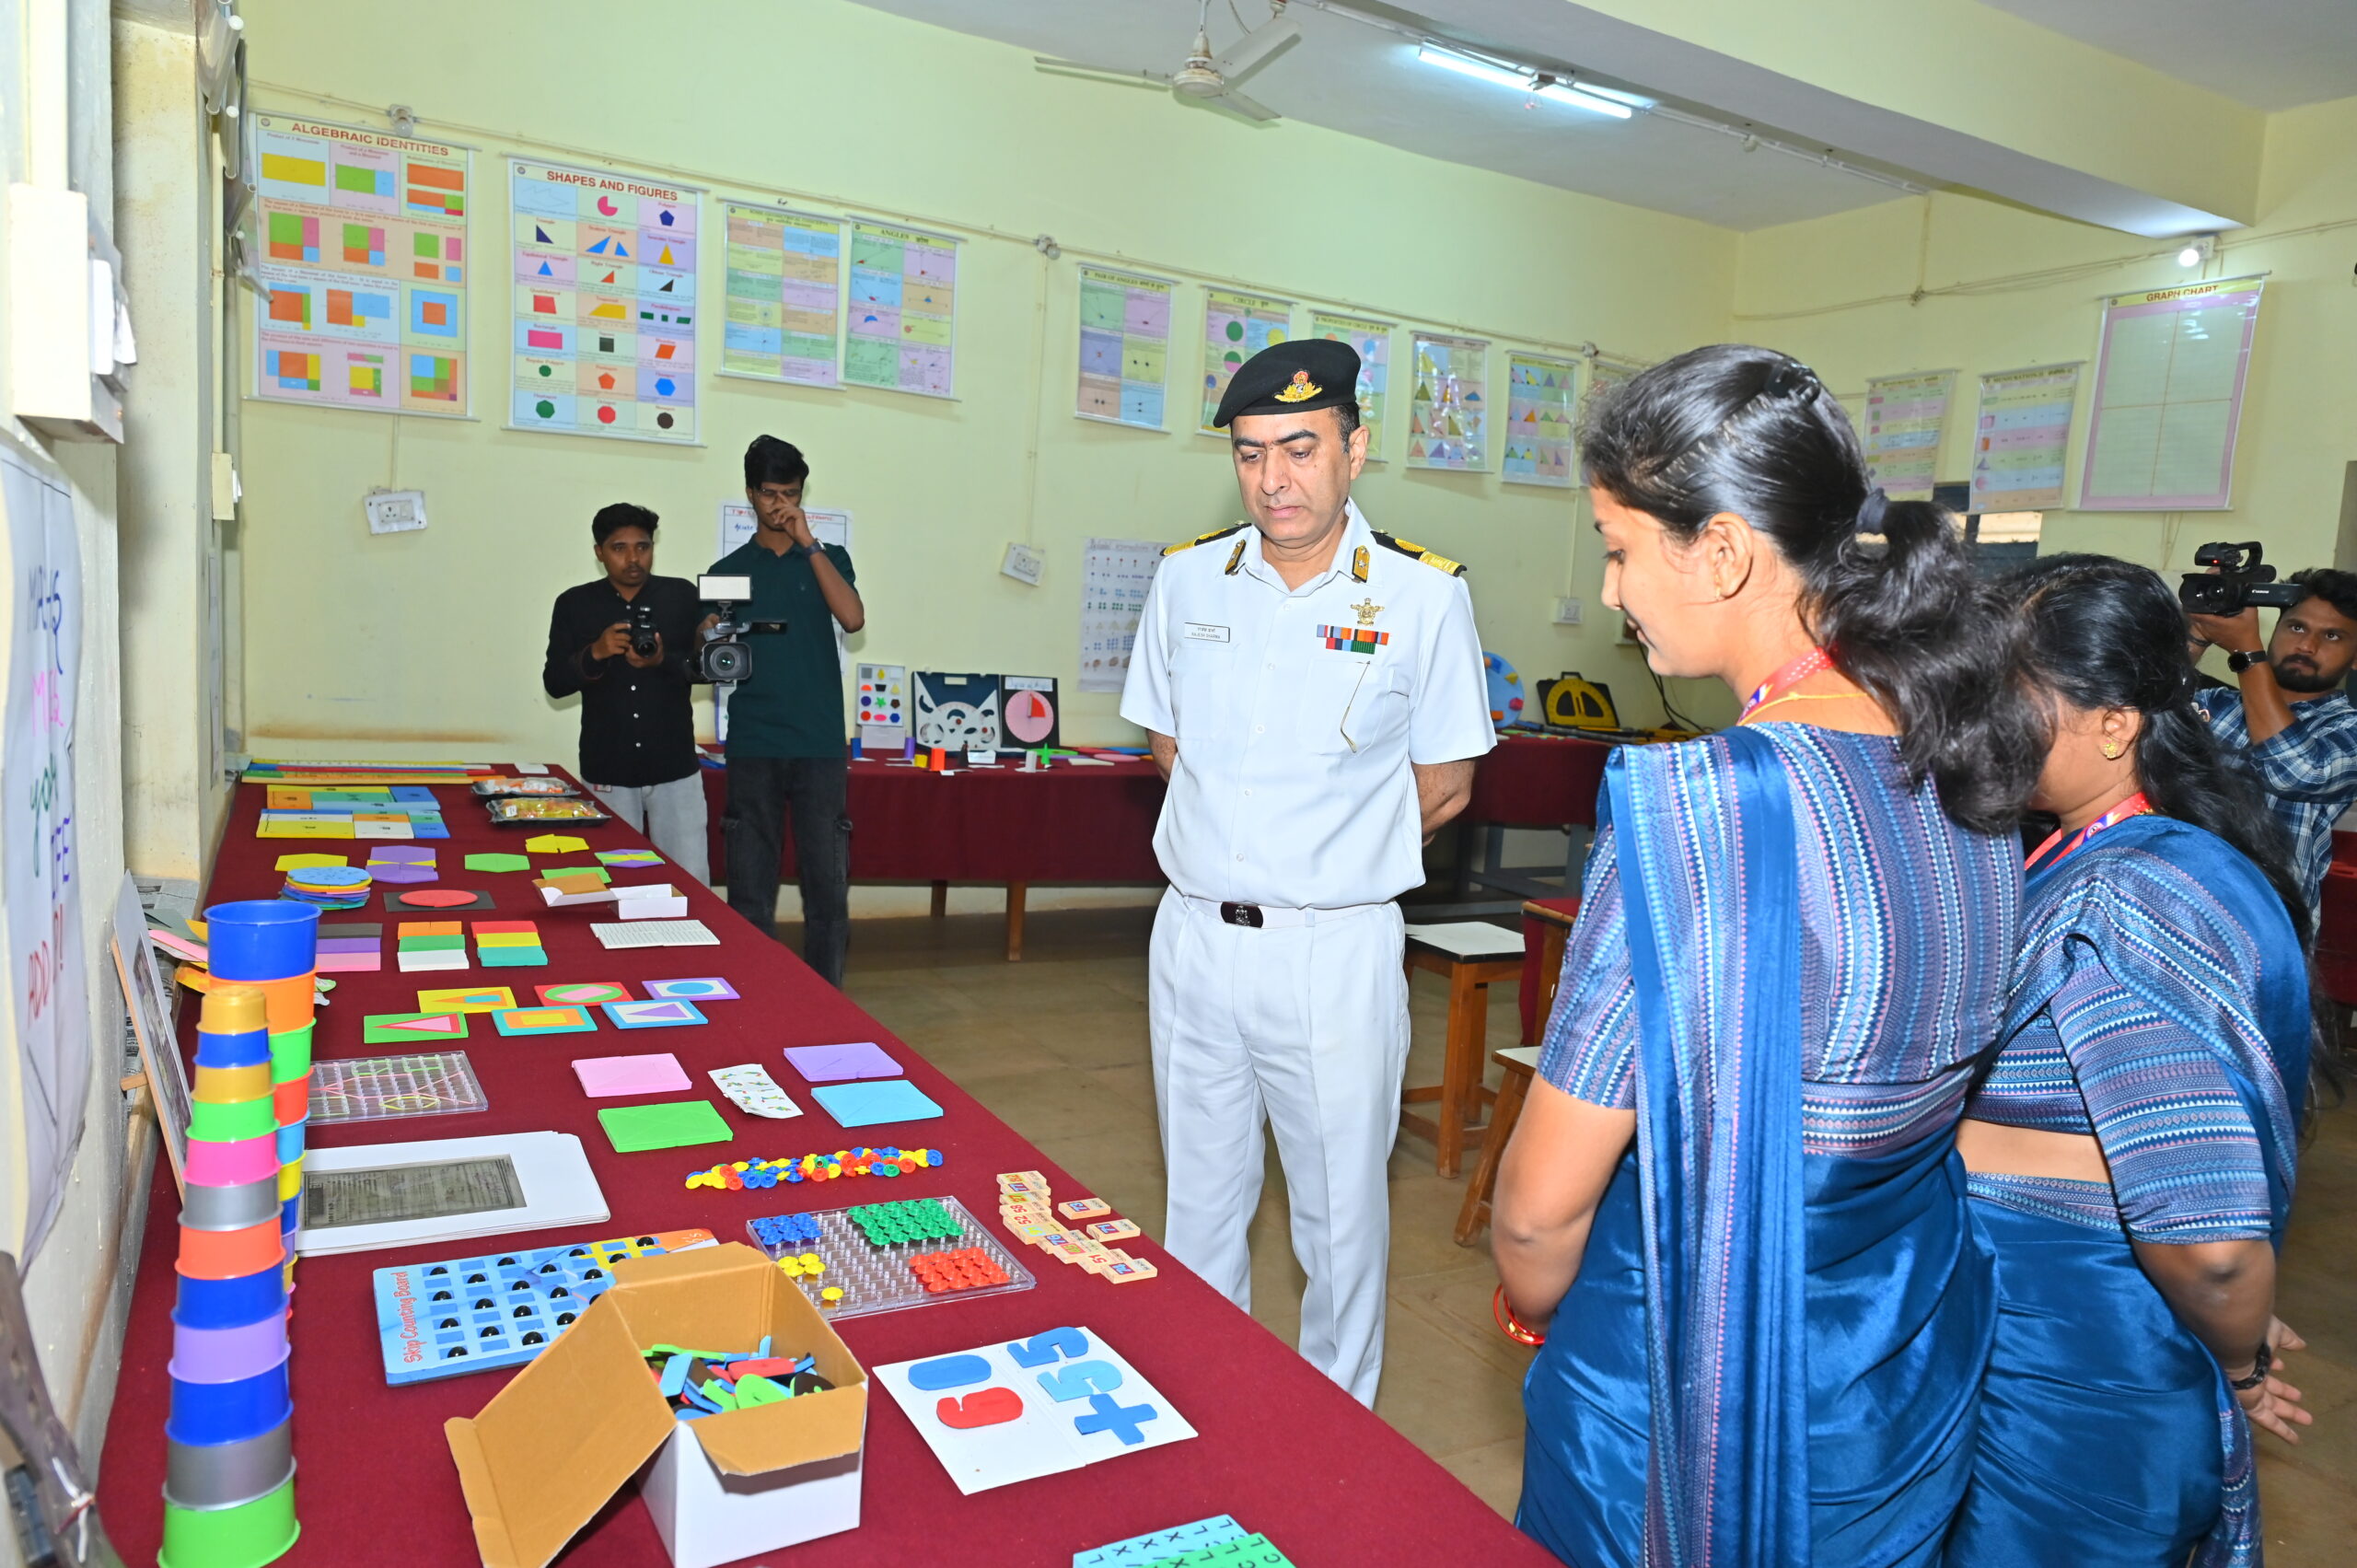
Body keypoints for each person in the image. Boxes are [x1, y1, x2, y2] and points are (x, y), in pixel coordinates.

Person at [1493, 346, 2041, 1568]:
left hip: (1697, 1386)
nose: (1612, 587)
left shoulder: (1712, 810)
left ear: (1724, 551)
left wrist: (1533, 1308)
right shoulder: (1966, 757)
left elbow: (1539, 1207)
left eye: (1619, 547)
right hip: (1895, 1363)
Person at [1120, 338, 1494, 1407]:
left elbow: (1445, 783)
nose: (1273, 478)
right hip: (1194, 938)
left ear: (1353, 450)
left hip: (1331, 947)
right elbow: (1167, 743)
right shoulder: (1186, 577)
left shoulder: (1421, 596)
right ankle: (1205, 1405)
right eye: (1250, 453)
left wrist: (1318, 854)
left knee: (1338, 1221)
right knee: (1198, 1205)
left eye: (1299, 447)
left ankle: (1334, 1431)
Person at [1946, 554, 2315, 1567]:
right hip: (2056, 1333)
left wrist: (2236, 1355)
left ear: (2114, 722)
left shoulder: (2130, 898)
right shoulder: (2101, 851)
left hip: (2076, 1374)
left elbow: (2211, 1245)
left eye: (2009, 699)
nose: (1977, 726)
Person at [708, 436, 865, 986]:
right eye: (770, 494)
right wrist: (706, 631)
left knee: (827, 889)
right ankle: (758, 996)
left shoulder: (829, 557)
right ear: (750, 493)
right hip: (754, 742)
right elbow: (711, 653)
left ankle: (828, 1001)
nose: (780, 505)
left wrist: (809, 544)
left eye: (791, 494)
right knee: (750, 890)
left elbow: (853, 619)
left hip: (819, 743)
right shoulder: (728, 568)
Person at [541, 503, 710, 880]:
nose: (633, 558)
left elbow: (707, 671)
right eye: (619, 548)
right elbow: (555, 683)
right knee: (615, 882)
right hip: (608, 768)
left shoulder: (682, 596)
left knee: (690, 879)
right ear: (599, 552)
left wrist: (663, 661)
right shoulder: (574, 604)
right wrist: (596, 653)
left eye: (643, 547)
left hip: (675, 768)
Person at [2188, 568, 2357, 910]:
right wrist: (2197, 635)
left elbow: (2294, 771)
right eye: (2297, 627)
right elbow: (2133, 710)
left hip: (2267, 921)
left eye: (2332, 636)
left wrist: (2247, 652)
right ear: (2275, 630)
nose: (2307, 646)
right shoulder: (2215, 705)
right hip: (2176, 902)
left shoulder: (2346, 730)